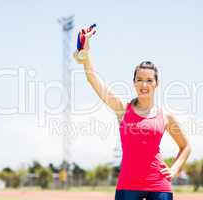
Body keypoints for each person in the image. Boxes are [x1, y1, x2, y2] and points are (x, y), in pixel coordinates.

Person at [74, 31, 191, 200]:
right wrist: (86, 53)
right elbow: (93, 80)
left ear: (156, 83)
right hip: (128, 185)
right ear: (134, 82)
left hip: (159, 186)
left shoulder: (165, 116)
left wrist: (174, 170)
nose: (144, 84)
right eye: (140, 79)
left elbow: (186, 146)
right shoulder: (122, 109)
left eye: (149, 80)